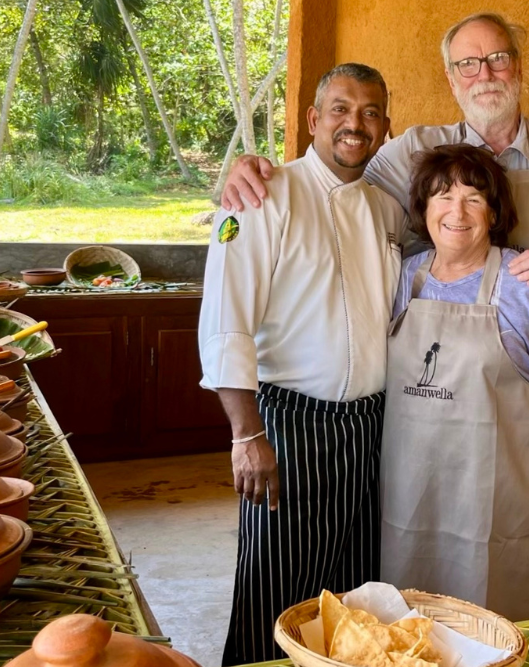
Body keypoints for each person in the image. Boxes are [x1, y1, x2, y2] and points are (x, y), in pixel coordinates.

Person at [218, 12, 529, 614]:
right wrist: (260, 173)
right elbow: (342, 181)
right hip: (422, 430)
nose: (484, 73)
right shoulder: (411, 151)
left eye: (496, 58)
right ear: (450, 76)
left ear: (517, 67)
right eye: (468, 63)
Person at [198, 63, 407, 665]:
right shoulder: (263, 197)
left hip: (370, 426)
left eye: (370, 113)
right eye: (340, 109)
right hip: (287, 426)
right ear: (314, 120)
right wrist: (246, 434)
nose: (355, 124)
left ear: (385, 128)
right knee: (277, 588)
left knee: (353, 595)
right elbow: (225, 321)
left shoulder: (384, 211)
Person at [382, 144, 529, 620]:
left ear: (494, 213)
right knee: (405, 629)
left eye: (474, 198)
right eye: (442, 196)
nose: (457, 211)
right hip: (409, 504)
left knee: (491, 629)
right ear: (423, 209)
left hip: (496, 509)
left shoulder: (526, 285)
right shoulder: (402, 278)